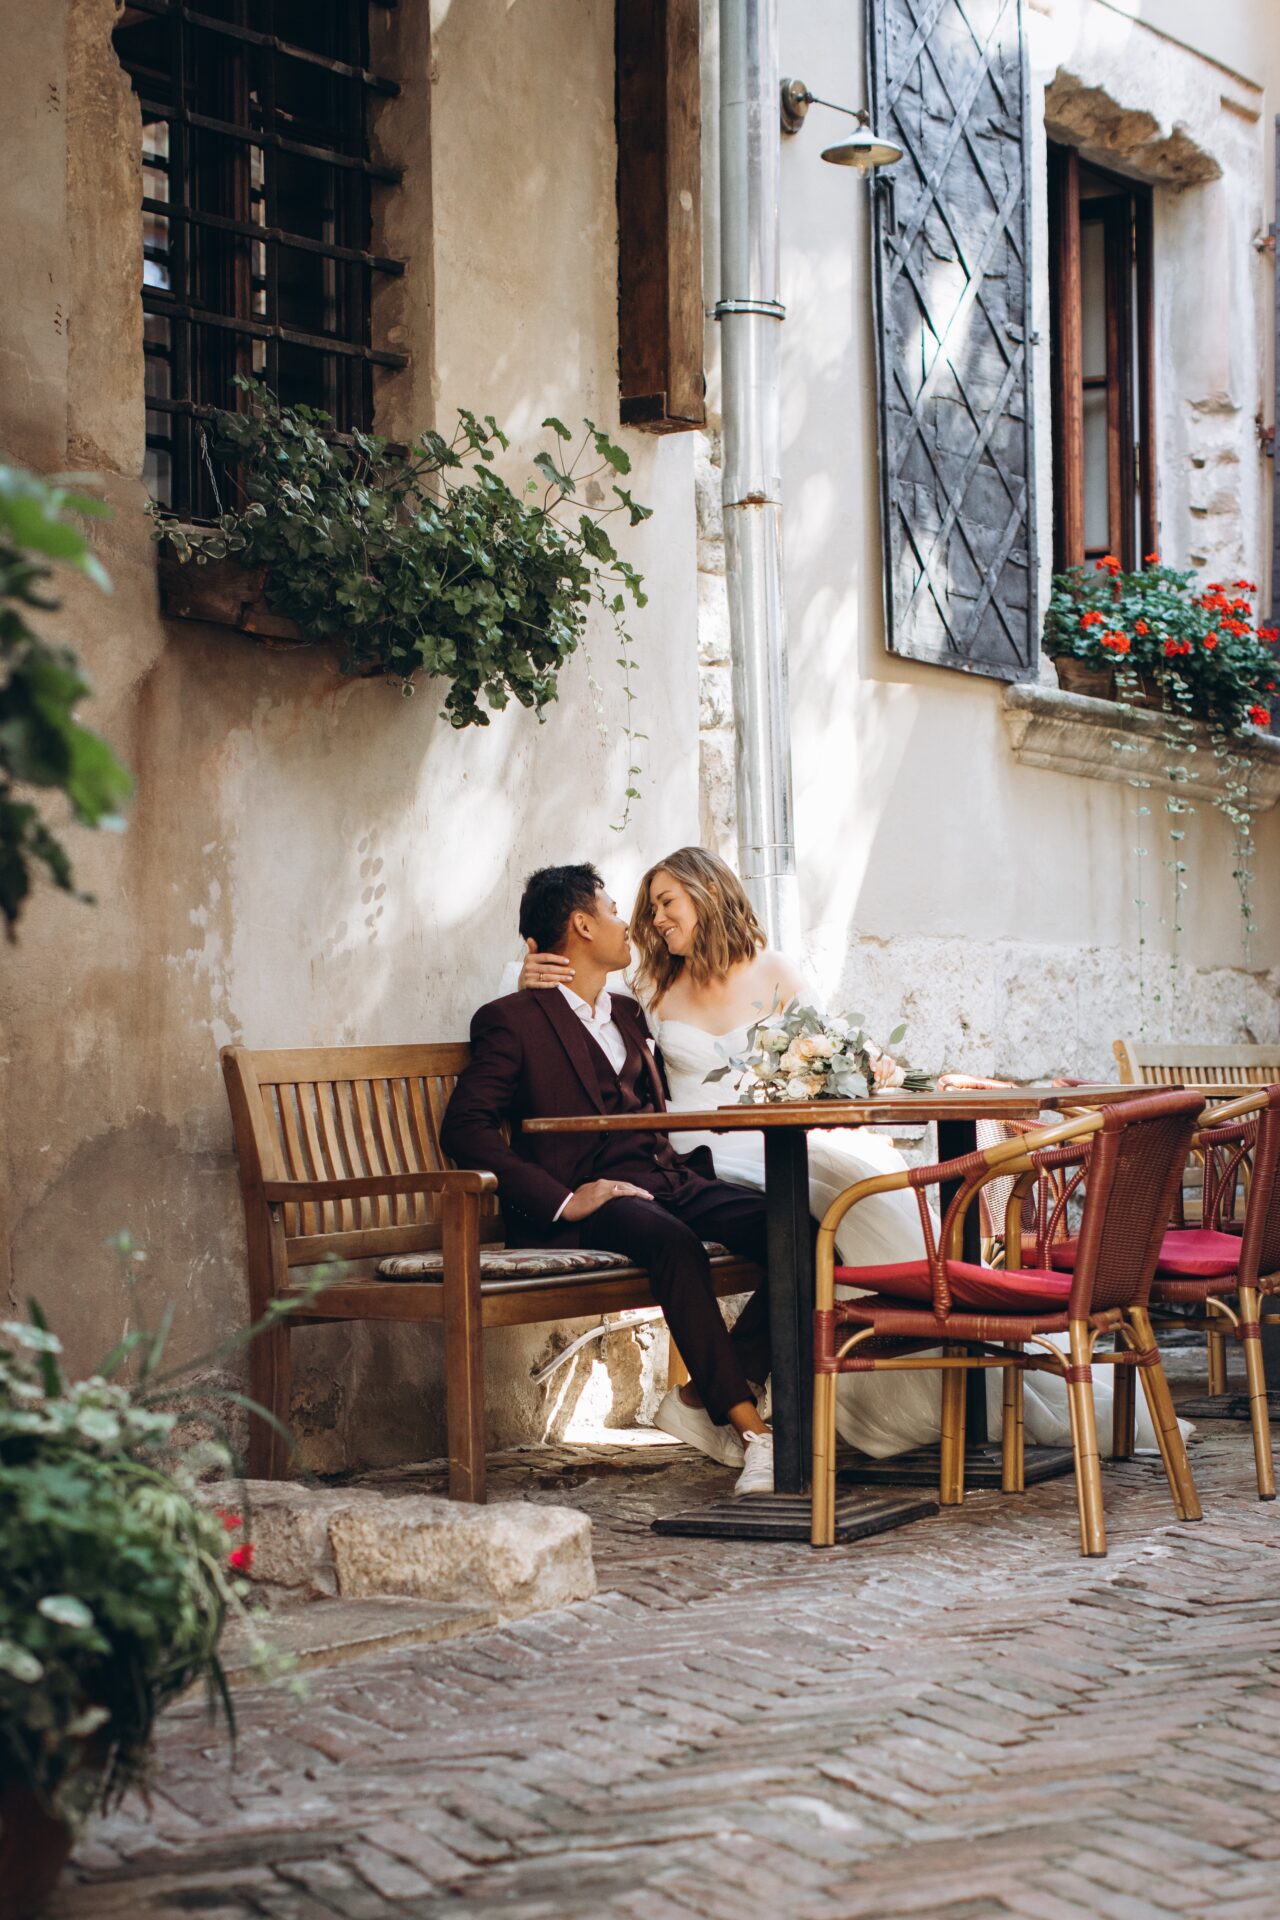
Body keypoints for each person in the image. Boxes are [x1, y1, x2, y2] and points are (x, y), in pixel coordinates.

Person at [515, 846, 1181, 1458]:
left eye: (667, 902)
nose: (655, 919)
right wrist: (525, 977)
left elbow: (832, 1054)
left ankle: (951, 1385)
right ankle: (815, 1402)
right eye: (648, 908)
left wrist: (858, 1071)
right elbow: (576, 1019)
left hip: (785, 1140)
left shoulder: (773, 971)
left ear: (708, 892)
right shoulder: (651, 993)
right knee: (827, 1220)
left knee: (882, 1194)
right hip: (699, 1155)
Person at [442, 864, 777, 1495]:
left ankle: (705, 1395)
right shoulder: (511, 1019)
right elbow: (465, 1129)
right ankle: (754, 1434)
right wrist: (565, 1201)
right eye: (618, 909)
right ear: (582, 924)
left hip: (666, 1177)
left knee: (795, 1232)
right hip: (592, 1196)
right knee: (672, 1243)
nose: (630, 924)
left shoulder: (627, 1012)